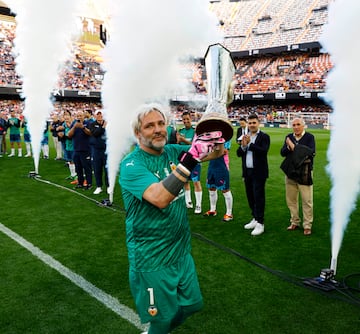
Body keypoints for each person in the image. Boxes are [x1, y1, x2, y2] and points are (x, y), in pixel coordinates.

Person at [119, 104, 224, 334]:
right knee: (162, 319)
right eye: (149, 126)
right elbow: (159, 197)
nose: (158, 129)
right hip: (151, 259)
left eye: (160, 123)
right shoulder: (131, 165)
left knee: (193, 304)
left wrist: (214, 135)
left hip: (180, 251)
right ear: (138, 133)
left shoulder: (173, 152)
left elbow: (218, 153)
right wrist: (192, 157)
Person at [280, 117, 316, 236]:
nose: (296, 127)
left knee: (307, 200)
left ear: (303, 125)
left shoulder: (309, 137)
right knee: (291, 200)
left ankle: (307, 225)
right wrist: (289, 147)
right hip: (291, 172)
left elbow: (309, 153)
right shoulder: (289, 136)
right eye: (294, 125)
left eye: (298, 124)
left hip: (304, 173)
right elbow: (283, 152)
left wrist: (293, 147)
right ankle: (294, 221)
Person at [236, 113, 270, 236]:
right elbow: (239, 153)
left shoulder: (264, 137)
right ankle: (255, 218)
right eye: (250, 123)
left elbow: (263, 151)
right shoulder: (245, 136)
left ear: (258, 123)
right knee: (250, 196)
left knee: (258, 196)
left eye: (254, 123)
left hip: (259, 172)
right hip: (247, 172)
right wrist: (244, 146)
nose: (251, 125)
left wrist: (250, 144)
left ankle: (260, 222)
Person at [178, 111, 203, 214]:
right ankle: (188, 202)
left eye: (187, 119)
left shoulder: (195, 131)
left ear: (191, 119)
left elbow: (195, 145)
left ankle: (198, 205)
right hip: (184, 160)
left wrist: (183, 140)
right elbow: (178, 144)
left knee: (196, 182)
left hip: (194, 160)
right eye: (184, 119)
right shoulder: (181, 130)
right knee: (185, 182)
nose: (186, 121)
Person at [203, 140, 234, 222]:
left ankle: (229, 213)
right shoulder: (211, 138)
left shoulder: (226, 138)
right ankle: (212, 210)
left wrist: (210, 150)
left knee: (225, 190)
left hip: (222, 166)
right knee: (211, 188)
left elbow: (223, 151)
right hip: (212, 165)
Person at [67, 110, 93, 190]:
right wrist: (75, 127)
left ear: (84, 116)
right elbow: (69, 135)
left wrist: (83, 127)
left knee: (87, 168)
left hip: (86, 149)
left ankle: (89, 183)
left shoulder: (88, 123)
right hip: (76, 149)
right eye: (77, 116)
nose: (79, 117)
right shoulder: (74, 123)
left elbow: (90, 133)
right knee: (78, 168)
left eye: (80, 116)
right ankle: (80, 183)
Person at [89, 110, 109, 195]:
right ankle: (99, 186)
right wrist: (103, 127)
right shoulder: (92, 124)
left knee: (107, 169)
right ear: (95, 116)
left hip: (106, 150)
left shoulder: (108, 123)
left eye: (101, 114)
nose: (99, 116)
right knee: (97, 169)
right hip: (96, 150)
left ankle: (108, 186)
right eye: (98, 114)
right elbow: (95, 133)